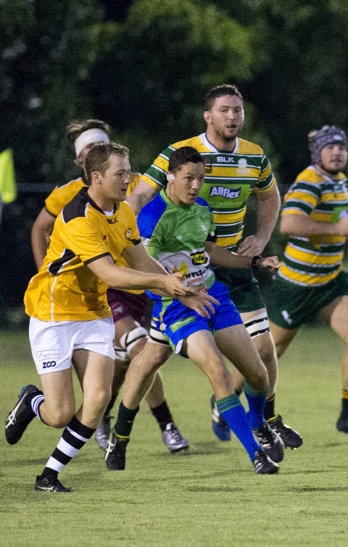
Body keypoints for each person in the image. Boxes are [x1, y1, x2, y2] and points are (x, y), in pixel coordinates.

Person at [5, 142, 205, 492]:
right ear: (96, 177)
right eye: (120, 173)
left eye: (129, 171)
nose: (128, 179)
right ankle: (32, 401)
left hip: (95, 313)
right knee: (59, 414)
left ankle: (49, 475)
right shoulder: (78, 216)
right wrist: (163, 282)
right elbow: (111, 275)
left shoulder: (124, 212)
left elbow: (141, 263)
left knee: (97, 399)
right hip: (53, 313)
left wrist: (182, 292)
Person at [127, 84, 300, 448]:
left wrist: (261, 236)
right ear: (208, 116)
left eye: (238, 110)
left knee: (264, 349)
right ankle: (120, 430)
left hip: (231, 261)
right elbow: (140, 194)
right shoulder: (180, 154)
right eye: (224, 110)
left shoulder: (253, 156)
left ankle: (263, 422)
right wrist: (122, 232)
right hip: (183, 265)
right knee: (154, 354)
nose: (233, 116)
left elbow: (270, 196)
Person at [105, 146, 283, 474]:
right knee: (217, 370)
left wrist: (254, 262)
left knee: (257, 373)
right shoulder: (150, 217)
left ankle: (257, 424)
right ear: (170, 177)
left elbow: (210, 250)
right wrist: (184, 295)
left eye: (201, 179)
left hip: (212, 294)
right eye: (189, 178)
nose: (196, 186)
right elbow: (147, 270)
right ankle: (256, 454)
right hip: (175, 306)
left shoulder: (202, 208)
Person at [29, 119, 190, 454]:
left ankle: (79, 443)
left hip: (116, 295)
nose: (126, 177)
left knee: (102, 391)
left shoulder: (127, 198)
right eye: (88, 152)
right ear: (87, 167)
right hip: (88, 295)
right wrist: (48, 272)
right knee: (136, 349)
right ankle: (165, 423)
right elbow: (42, 231)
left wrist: (181, 287)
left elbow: (142, 256)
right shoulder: (71, 203)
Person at [268, 125, 348, 441]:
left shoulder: (339, 182)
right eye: (329, 147)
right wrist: (338, 228)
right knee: (267, 353)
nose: (336, 152)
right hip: (297, 285)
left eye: (341, 147)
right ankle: (225, 400)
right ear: (318, 153)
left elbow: (336, 227)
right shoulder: (310, 182)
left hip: (331, 281)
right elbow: (289, 224)